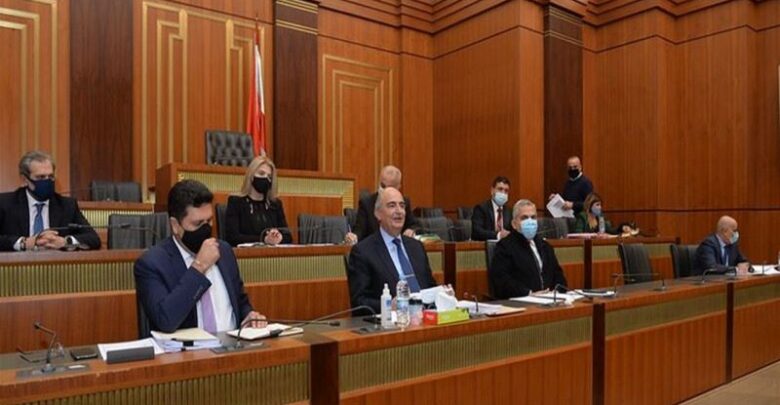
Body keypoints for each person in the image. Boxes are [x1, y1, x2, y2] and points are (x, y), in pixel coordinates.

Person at [134, 179, 265, 333]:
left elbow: (240, 301)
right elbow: (165, 320)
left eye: (209, 221)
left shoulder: (224, 250)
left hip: (232, 343)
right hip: (188, 348)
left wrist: (248, 316)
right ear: (175, 225)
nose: (205, 229)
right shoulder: (151, 263)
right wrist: (199, 267)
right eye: (197, 224)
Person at [347, 187, 437, 313]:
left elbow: (430, 287)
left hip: (425, 318)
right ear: (378, 213)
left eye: (402, 206)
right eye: (392, 206)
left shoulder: (417, 247)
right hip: (393, 320)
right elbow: (359, 302)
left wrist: (442, 294)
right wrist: (389, 305)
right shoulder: (363, 252)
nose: (399, 211)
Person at [0, 151, 100, 252]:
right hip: (19, 261)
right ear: (24, 180)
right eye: (41, 177)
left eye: (50, 176)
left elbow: (94, 239)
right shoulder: (5, 203)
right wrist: (23, 243)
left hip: (55, 261)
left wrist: (65, 242)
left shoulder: (67, 205)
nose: (47, 181)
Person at [489, 199, 567, 299]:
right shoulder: (505, 247)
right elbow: (502, 280)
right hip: (522, 301)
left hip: (550, 300)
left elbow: (559, 276)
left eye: (533, 217)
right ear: (514, 224)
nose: (530, 221)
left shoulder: (545, 246)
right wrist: (529, 293)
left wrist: (556, 292)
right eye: (524, 218)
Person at [224, 156, 293, 246]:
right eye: (261, 173)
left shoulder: (275, 204)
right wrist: (264, 239)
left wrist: (279, 238)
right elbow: (232, 237)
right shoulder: (236, 202)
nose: (265, 178)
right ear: (251, 176)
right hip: (247, 254)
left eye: (269, 176)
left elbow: (288, 237)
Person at [353, 165, 420, 240]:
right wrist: (353, 237)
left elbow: (414, 225)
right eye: (382, 185)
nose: (385, 190)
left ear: (398, 187)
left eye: (389, 187)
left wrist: (411, 230)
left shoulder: (404, 202)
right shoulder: (366, 203)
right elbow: (359, 231)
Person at [471, 176, 513, 241]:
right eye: (500, 189)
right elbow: (477, 232)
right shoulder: (481, 209)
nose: (503, 193)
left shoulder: (509, 211)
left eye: (506, 191)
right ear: (492, 190)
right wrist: (498, 235)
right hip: (486, 245)